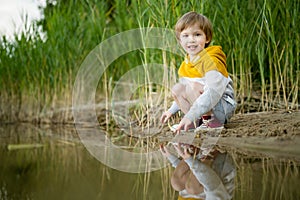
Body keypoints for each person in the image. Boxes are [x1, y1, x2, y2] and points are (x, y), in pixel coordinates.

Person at [160, 11, 236, 133]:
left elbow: (213, 92)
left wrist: (189, 115)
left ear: (207, 38)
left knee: (193, 86)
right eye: (185, 36)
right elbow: (184, 92)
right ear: (180, 40)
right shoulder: (187, 63)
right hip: (206, 105)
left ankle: (212, 122)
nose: (191, 40)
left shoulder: (211, 60)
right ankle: (196, 123)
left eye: (197, 34)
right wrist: (171, 110)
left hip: (222, 106)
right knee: (178, 88)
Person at [160, 143, 236, 200]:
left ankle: (193, 151)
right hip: (218, 167)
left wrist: (171, 158)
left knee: (176, 183)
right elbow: (212, 184)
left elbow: (190, 177)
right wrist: (189, 160)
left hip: (199, 168)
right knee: (192, 188)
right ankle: (209, 153)